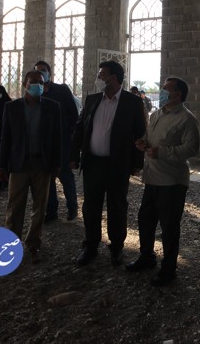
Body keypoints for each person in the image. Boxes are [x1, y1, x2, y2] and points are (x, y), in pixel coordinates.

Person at [70, 60, 146, 267]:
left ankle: (117, 247)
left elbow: (140, 133)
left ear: (113, 77)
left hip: (118, 165)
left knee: (117, 206)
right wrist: (73, 156)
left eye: (102, 74)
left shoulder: (132, 102)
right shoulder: (92, 99)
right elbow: (80, 128)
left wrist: (137, 163)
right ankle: (90, 245)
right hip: (93, 163)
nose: (98, 78)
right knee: (91, 206)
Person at [127, 77, 200, 286]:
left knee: (169, 227)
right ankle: (146, 257)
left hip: (171, 181)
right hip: (152, 177)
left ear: (178, 94)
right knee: (145, 220)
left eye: (167, 89)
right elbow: (149, 136)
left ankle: (168, 269)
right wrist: (143, 142)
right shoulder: (157, 114)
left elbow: (192, 148)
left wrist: (163, 152)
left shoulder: (187, 118)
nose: (162, 91)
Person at [0, 71, 61, 264]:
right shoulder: (12, 107)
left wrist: (56, 165)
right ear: (25, 83)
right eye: (33, 82)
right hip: (19, 164)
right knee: (15, 207)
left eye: (41, 82)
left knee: (40, 207)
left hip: (42, 165)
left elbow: (57, 138)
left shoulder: (52, 107)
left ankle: (33, 243)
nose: (37, 85)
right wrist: (0, 165)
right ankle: (11, 245)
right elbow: (5, 138)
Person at [33, 60, 80, 223]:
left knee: (65, 175)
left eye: (43, 70)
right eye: (37, 71)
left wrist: (71, 136)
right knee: (48, 178)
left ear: (49, 73)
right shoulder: (36, 92)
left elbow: (74, 114)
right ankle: (51, 211)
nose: (41, 73)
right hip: (43, 143)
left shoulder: (61, 90)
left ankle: (72, 207)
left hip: (62, 141)